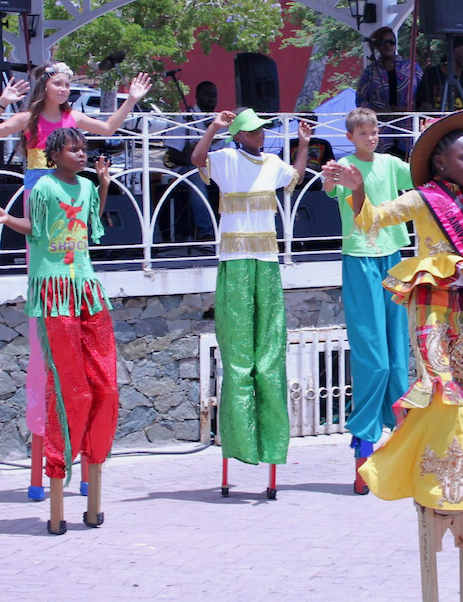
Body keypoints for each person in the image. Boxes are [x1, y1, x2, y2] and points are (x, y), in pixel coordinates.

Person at [327, 110, 463, 510]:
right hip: (428, 307)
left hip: (461, 311)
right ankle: (437, 480)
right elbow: (374, 220)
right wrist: (357, 190)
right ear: (440, 162)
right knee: (439, 386)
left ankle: (462, 477)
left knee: (461, 388)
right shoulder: (425, 200)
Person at [0, 61, 150, 500]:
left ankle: (78, 460)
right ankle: (52, 462)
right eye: (59, 82)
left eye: (70, 83)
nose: (66, 88)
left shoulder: (74, 123)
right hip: (42, 210)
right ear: (45, 86)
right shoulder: (30, 119)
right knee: (50, 343)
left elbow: (111, 128)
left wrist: (131, 98)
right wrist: (1, 102)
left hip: (70, 214)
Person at [0, 128, 119, 535]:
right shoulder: (43, 186)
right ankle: (60, 482)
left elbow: (92, 222)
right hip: (53, 288)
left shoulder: (86, 186)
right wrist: (8, 219)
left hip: (86, 287)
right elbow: (38, 229)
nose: (81, 153)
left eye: (84, 148)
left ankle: (93, 471)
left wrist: (104, 185)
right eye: (73, 148)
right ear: (55, 153)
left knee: (106, 386)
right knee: (68, 386)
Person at [190, 108, 308, 491]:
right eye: (254, 131)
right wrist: (213, 128)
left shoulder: (273, 162)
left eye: (262, 130)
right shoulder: (224, 159)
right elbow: (196, 160)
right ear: (240, 135)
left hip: (266, 263)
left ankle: (271, 446)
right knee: (238, 360)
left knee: (269, 355)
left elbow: (296, 176)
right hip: (234, 263)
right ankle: (239, 444)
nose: (261, 136)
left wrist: (303, 144)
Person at [322, 107, 412, 494]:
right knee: (371, 358)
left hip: (392, 256)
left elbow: (422, 175)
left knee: (397, 360)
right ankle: (363, 445)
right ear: (351, 137)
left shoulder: (391, 163)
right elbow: (329, 192)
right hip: (359, 258)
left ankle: (406, 451)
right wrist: (329, 180)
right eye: (363, 133)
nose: (370, 137)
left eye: (374, 132)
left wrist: (427, 138)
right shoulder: (344, 165)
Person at [163, 80, 220, 240]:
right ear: (197, 96)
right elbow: (173, 154)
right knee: (197, 177)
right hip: (187, 169)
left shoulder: (219, 120)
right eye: (207, 94)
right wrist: (199, 161)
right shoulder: (184, 118)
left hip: (214, 168)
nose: (211, 99)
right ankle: (206, 231)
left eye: (214, 95)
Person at [355, 26, 422, 157]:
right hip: (382, 126)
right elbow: (360, 99)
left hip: (408, 126)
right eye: (383, 42)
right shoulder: (371, 71)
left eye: (391, 42)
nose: (388, 46)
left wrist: (412, 107)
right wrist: (376, 112)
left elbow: (424, 93)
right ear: (377, 46)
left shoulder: (411, 67)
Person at [416, 37, 463, 112]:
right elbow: (425, 106)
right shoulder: (432, 73)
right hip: (437, 121)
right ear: (454, 54)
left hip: (461, 122)